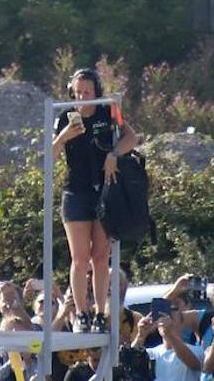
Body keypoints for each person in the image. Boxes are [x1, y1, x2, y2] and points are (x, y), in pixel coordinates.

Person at [51, 68, 137, 333]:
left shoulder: (108, 110)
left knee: (100, 258)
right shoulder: (65, 116)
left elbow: (131, 138)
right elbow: (50, 154)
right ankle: (82, 313)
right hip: (76, 192)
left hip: (104, 191)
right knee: (80, 257)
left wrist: (114, 154)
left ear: (96, 91)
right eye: (77, 92)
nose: (82, 97)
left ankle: (100, 313)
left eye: (87, 92)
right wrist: (65, 135)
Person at [130, 308, 202, 381]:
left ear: (181, 323)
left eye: (172, 316)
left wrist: (169, 334)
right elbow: (129, 363)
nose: (167, 319)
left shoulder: (197, 351)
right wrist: (141, 335)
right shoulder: (151, 353)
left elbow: (194, 364)